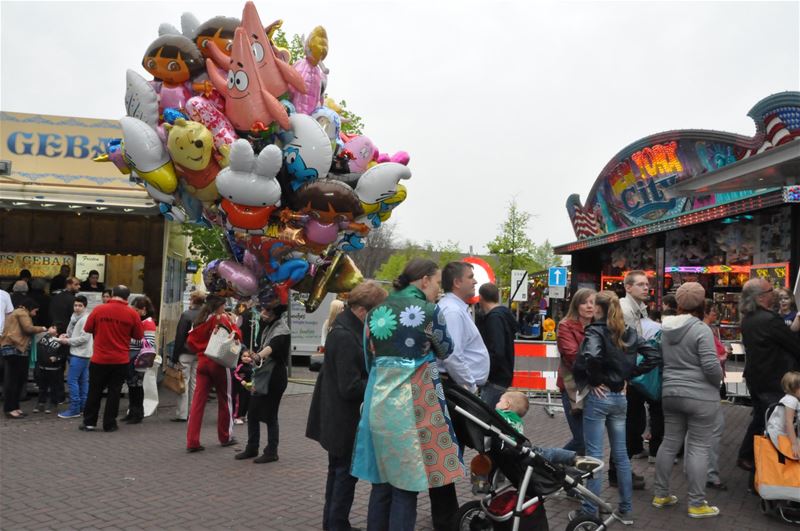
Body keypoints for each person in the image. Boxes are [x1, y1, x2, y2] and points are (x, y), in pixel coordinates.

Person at [351, 258, 459, 531]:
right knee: (406, 488)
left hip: (379, 406)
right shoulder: (428, 311)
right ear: (424, 280)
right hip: (412, 409)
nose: (438, 289)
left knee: (381, 485)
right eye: (436, 283)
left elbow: (368, 360)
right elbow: (447, 349)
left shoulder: (376, 312)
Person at [572, 290, 660, 525]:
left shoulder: (595, 331)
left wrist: (595, 380)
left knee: (595, 455)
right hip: (620, 397)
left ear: (598, 309)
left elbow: (591, 356)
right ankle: (625, 508)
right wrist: (627, 376)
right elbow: (653, 355)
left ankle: (590, 510)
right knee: (620, 455)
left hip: (600, 397)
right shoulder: (628, 332)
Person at [306, 281, 388, 531]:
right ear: (363, 310)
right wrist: (378, 382)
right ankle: (336, 524)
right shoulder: (345, 335)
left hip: (339, 418)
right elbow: (350, 387)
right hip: (343, 420)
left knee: (339, 474)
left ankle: (334, 522)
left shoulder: (346, 328)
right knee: (343, 476)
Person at [652, 282, 723, 519]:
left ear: (679, 303)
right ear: (702, 303)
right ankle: (697, 503)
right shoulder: (702, 329)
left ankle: (661, 494)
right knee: (699, 448)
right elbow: (711, 365)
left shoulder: (665, 328)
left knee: (669, 442)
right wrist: (718, 382)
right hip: (700, 395)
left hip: (671, 392)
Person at [432, 261, 489, 529]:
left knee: (452, 453)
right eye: (470, 277)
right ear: (456, 282)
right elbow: (451, 354)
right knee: (451, 453)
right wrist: (470, 386)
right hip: (457, 388)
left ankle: (447, 514)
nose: (474, 281)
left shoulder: (456, 309)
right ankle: (445, 518)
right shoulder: (452, 312)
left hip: (457, 386)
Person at [736, 278, 800, 472]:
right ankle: (757, 463)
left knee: (760, 418)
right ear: (761, 297)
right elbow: (793, 345)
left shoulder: (748, 318)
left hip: (757, 377)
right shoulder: (769, 320)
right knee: (773, 422)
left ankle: (751, 461)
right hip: (773, 379)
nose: (775, 293)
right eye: (771, 290)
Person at [617, 270, 661, 487]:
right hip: (628, 376)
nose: (646, 288)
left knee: (633, 424)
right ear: (628, 287)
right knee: (630, 425)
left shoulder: (638, 309)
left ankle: (621, 470)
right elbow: (626, 345)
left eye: (647, 284)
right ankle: (619, 473)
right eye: (641, 284)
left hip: (631, 374)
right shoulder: (625, 310)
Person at [80, 285, 144, 432]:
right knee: (114, 392)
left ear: (113, 294)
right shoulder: (132, 314)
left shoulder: (99, 310)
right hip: (120, 359)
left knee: (94, 390)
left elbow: (88, 329)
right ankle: (109, 424)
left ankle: (89, 422)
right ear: (127, 297)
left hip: (99, 358)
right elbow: (138, 336)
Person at [235, 302, 290, 463]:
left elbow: (272, 347)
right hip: (263, 374)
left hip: (274, 377)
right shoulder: (268, 326)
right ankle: (252, 447)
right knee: (252, 412)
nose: (263, 313)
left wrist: (258, 356)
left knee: (270, 415)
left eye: (267, 310)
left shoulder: (282, 330)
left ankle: (271, 450)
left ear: (275, 313)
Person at [185, 295, 241, 452]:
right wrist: (235, 323)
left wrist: (201, 350)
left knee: (197, 402)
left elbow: (190, 341)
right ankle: (225, 436)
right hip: (219, 362)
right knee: (225, 399)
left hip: (203, 361)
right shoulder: (221, 318)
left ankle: (192, 441)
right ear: (220, 305)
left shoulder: (200, 319)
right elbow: (236, 336)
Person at [556, 288, 596, 454]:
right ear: (576, 305)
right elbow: (572, 356)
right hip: (572, 385)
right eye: (584, 302)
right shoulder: (566, 325)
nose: (589, 306)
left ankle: (570, 473)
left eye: (593, 302)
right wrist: (598, 370)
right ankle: (551, 463)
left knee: (589, 440)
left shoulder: (599, 325)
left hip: (593, 385)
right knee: (582, 439)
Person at [1, 298, 55, 418]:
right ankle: (10, 409)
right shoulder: (22, 313)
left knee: (17, 380)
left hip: (15, 349)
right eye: (35, 311)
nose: (35, 313)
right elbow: (28, 328)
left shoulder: (16, 313)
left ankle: (15, 407)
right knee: (14, 381)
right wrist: (44, 329)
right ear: (30, 308)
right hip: (16, 349)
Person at [476, 283, 518, 408]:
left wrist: (487, 372)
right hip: (503, 375)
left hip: (495, 378)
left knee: (486, 416)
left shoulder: (494, 319)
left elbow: (497, 350)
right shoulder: (504, 315)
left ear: (481, 298)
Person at [703, 298, 728, 490]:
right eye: (712, 311)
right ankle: (710, 474)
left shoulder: (697, 329)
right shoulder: (704, 332)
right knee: (714, 428)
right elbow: (711, 360)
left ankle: (695, 469)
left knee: (686, 432)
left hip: (690, 388)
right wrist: (723, 356)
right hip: (706, 387)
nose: (715, 314)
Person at [170, 290, 205, 422]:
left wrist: (174, 356)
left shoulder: (186, 315)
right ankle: (193, 412)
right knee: (195, 384)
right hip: (200, 353)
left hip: (186, 352)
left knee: (183, 382)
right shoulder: (206, 317)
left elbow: (180, 337)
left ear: (192, 300)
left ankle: (182, 413)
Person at [56, 295, 93, 419]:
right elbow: (73, 333)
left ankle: (74, 409)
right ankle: (82, 407)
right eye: (75, 305)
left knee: (72, 381)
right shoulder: (75, 317)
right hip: (82, 353)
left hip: (80, 353)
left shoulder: (85, 319)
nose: (77, 308)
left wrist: (67, 341)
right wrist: (66, 335)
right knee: (83, 381)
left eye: (80, 306)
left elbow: (84, 338)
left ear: (85, 306)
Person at [124, 296, 157, 425]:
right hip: (134, 356)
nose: (134, 312)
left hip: (138, 357)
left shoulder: (148, 323)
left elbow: (148, 343)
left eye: (136, 310)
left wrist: (128, 339)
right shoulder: (141, 321)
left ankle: (137, 413)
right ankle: (133, 412)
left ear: (144, 310)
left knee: (136, 386)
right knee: (133, 386)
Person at [765, 371, 800, 459]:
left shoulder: (788, 398)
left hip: (776, 432)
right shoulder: (792, 401)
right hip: (778, 435)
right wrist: (794, 444)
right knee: (795, 454)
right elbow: (789, 423)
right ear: (795, 389)